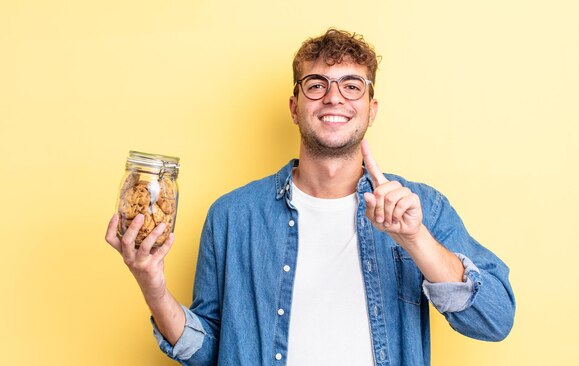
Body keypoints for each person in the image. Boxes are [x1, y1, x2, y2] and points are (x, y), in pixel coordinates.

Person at [105, 28, 515, 366]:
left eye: (351, 86)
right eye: (316, 85)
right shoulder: (233, 216)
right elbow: (215, 350)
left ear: (371, 109)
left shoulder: (420, 207)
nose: (334, 97)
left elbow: (495, 320)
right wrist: (153, 287)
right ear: (294, 106)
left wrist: (415, 239)